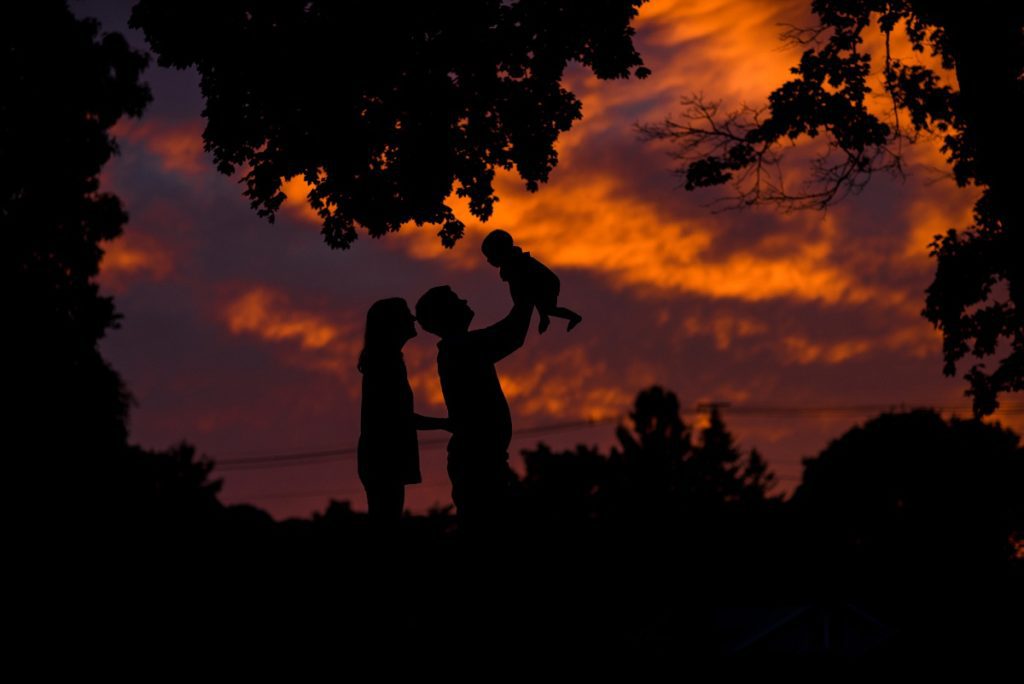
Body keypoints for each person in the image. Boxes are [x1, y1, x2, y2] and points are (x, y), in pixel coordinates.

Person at [414, 285, 534, 537]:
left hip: (481, 459)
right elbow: (512, 334)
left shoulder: (459, 347)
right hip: (478, 462)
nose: (465, 299)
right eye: (457, 299)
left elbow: (510, 333)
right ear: (447, 314)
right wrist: (527, 295)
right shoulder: (460, 347)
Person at [357, 298, 450, 530]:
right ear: (393, 323)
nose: (413, 318)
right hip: (384, 457)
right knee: (386, 525)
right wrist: (446, 423)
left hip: (381, 457)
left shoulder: (386, 361)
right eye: (406, 314)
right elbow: (398, 416)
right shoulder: (385, 364)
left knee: (386, 523)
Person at [481, 228, 582, 334]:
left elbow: (522, 290)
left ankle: (574, 317)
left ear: (500, 252)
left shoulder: (516, 264)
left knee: (549, 308)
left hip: (547, 283)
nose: (488, 260)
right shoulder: (513, 264)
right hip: (540, 284)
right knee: (536, 299)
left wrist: (519, 308)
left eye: (490, 256)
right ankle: (545, 317)